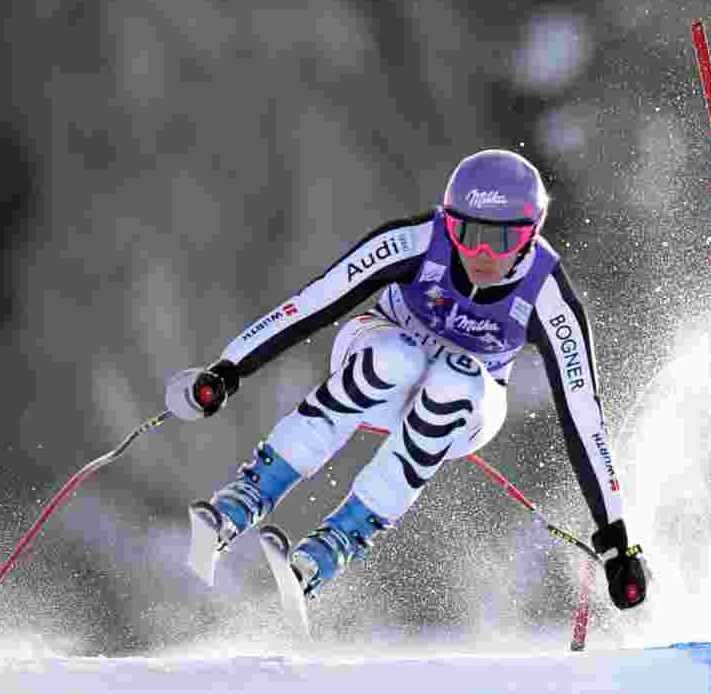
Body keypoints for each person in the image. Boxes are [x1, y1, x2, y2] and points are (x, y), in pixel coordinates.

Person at [165, 149, 647, 613]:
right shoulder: (417, 240)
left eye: (499, 240)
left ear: (531, 234)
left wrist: (616, 538)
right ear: (448, 220)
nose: (480, 253)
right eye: (466, 231)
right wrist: (228, 370)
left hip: (466, 402)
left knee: (455, 379)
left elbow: (584, 416)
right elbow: (316, 301)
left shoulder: (548, 293)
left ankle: (338, 542)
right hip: (379, 357)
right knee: (399, 356)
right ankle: (249, 494)